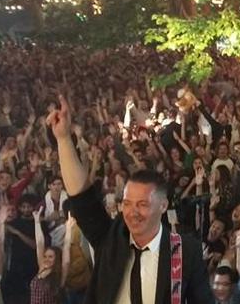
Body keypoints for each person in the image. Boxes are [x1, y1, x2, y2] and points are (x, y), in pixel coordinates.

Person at [47, 95, 214, 303]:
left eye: (142, 204)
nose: (132, 212)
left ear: (163, 206)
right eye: (127, 204)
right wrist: (63, 139)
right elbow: (82, 199)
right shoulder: (112, 239)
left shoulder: (184, 252)